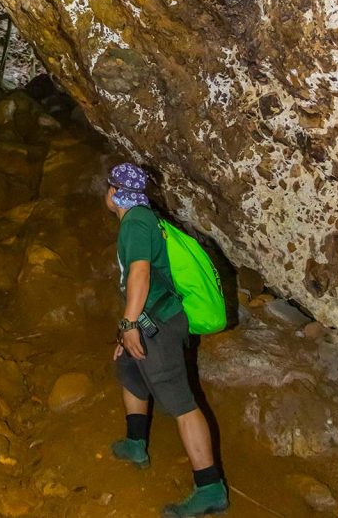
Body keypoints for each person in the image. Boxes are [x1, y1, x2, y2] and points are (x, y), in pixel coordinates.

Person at [106, 163, 228, 517]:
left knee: (181, 402)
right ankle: (135, 444)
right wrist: (126, 329)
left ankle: (210, 487)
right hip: (152, 318)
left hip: (157, 324)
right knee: (129, 371)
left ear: (113, 192)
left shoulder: (135, 223)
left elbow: (140, 274)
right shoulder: (142, 219)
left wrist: (131, 324)